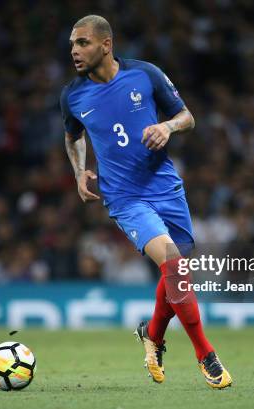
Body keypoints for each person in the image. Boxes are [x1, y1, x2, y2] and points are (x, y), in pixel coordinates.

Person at [60, 15, 232, 389]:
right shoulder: (72, 95)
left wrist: (166, 127)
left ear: (106, 45)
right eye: (73, 44)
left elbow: (187, 116)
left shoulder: (145, 75)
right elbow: (72, 136)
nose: (74, 50)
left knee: (177, 269)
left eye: (83, 43)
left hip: (166, 187)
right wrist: (79, 171)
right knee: (173, 264)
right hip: (125, 197)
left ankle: (152, 335)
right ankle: (206, 354)